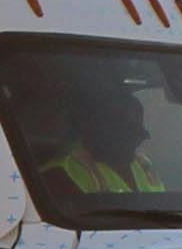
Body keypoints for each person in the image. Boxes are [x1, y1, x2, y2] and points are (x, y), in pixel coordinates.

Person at [25, 77, 158, 203]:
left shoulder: (143, 165)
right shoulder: (58, 175)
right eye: (126, 133)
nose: (136, 142)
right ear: (94, 128)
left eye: (137, 135)